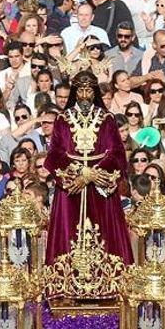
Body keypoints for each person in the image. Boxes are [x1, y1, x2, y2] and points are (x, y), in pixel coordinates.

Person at [44, 69, 133, 265]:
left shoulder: (107, 119)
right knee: (68, 234)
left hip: (100, 188)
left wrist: (94, 173)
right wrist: (79, 172)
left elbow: (118, 153)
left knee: (105, 234)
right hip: (71, 189)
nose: (85, 96)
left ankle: (107, 279)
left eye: (89, 91)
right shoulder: (62, 119)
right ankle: (66, 280)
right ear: (75, 92)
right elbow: (54, 156)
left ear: (95, 92)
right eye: (81, 91)